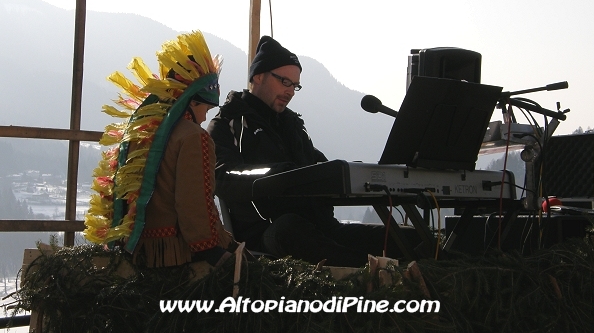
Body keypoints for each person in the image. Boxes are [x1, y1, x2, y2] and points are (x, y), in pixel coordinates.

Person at [208, 36, 419, 267]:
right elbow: (222, 177)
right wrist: (279, 175)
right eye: (284, 82)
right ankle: (376, 272)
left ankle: (390, 270)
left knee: (410, 239)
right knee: (290, 229)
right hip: (266, 232)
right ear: (258, 76)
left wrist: (351, 171)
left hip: (321, 227)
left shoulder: (292, 126)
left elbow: (320, 169)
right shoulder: (228, 123)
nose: (291, 92)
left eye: (295, 85)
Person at [84, 31, 234, 268]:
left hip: (139, 250)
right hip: (176, 253)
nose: (205, 118)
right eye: (206, 108)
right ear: (192, 101)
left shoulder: (143, 132)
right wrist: (210, 248)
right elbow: (192, 201)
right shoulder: (194, 138)